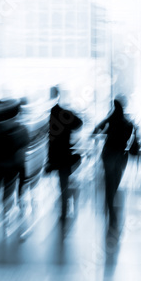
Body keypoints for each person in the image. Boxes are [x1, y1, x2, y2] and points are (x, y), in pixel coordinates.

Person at [92, 95, 138, 270]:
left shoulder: (110, 120)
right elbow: (130, 140)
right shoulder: (128, 123)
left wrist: (105, 133)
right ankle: (112, 212)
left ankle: (110, 209)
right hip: (120, 158)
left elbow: (95, 131)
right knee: (114, 184)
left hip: (108, 156)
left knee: (109, 184)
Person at [0, 98, 27, 235]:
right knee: (7, 196)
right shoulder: (21, 130)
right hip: (11, 168)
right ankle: (6, 222)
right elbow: (22, 153)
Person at [46, 86, 84, 233]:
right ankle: (63, 211)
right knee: (64, 184)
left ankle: (63, 211)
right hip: (65, 155)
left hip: (54, 156)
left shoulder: (50, 115)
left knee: (61, 184)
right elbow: (79, 123)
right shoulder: (65, 114)